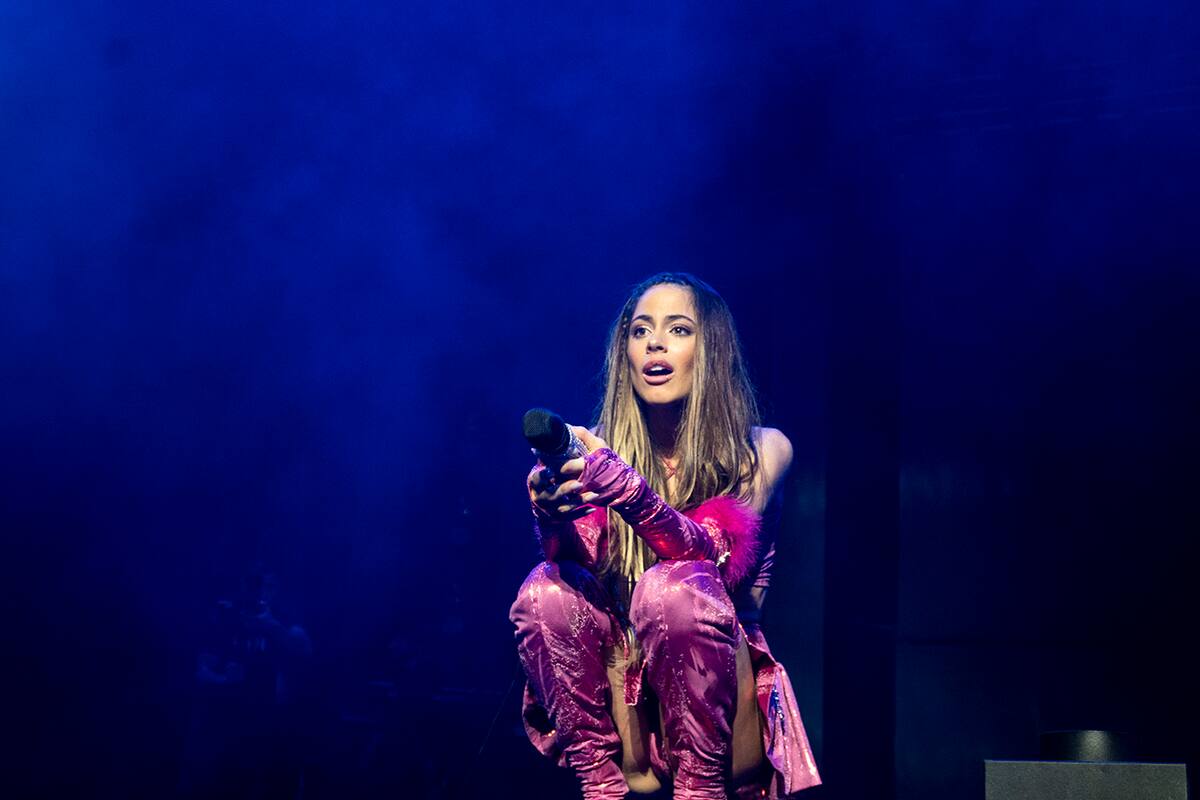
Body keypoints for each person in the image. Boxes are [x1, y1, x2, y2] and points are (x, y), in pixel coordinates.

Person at [510, 273, 820, 799]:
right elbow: (577, 567)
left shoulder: (762, 450)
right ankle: (599, 786)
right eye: (640, 331)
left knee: (672, 589)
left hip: (717, 712)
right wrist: (552, 516)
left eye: (678, 329)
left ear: (711, 351)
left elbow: (710, 555)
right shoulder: (602, 451)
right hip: (629, 701)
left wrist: (629, 492)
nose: (654, 342)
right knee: (545, 588)